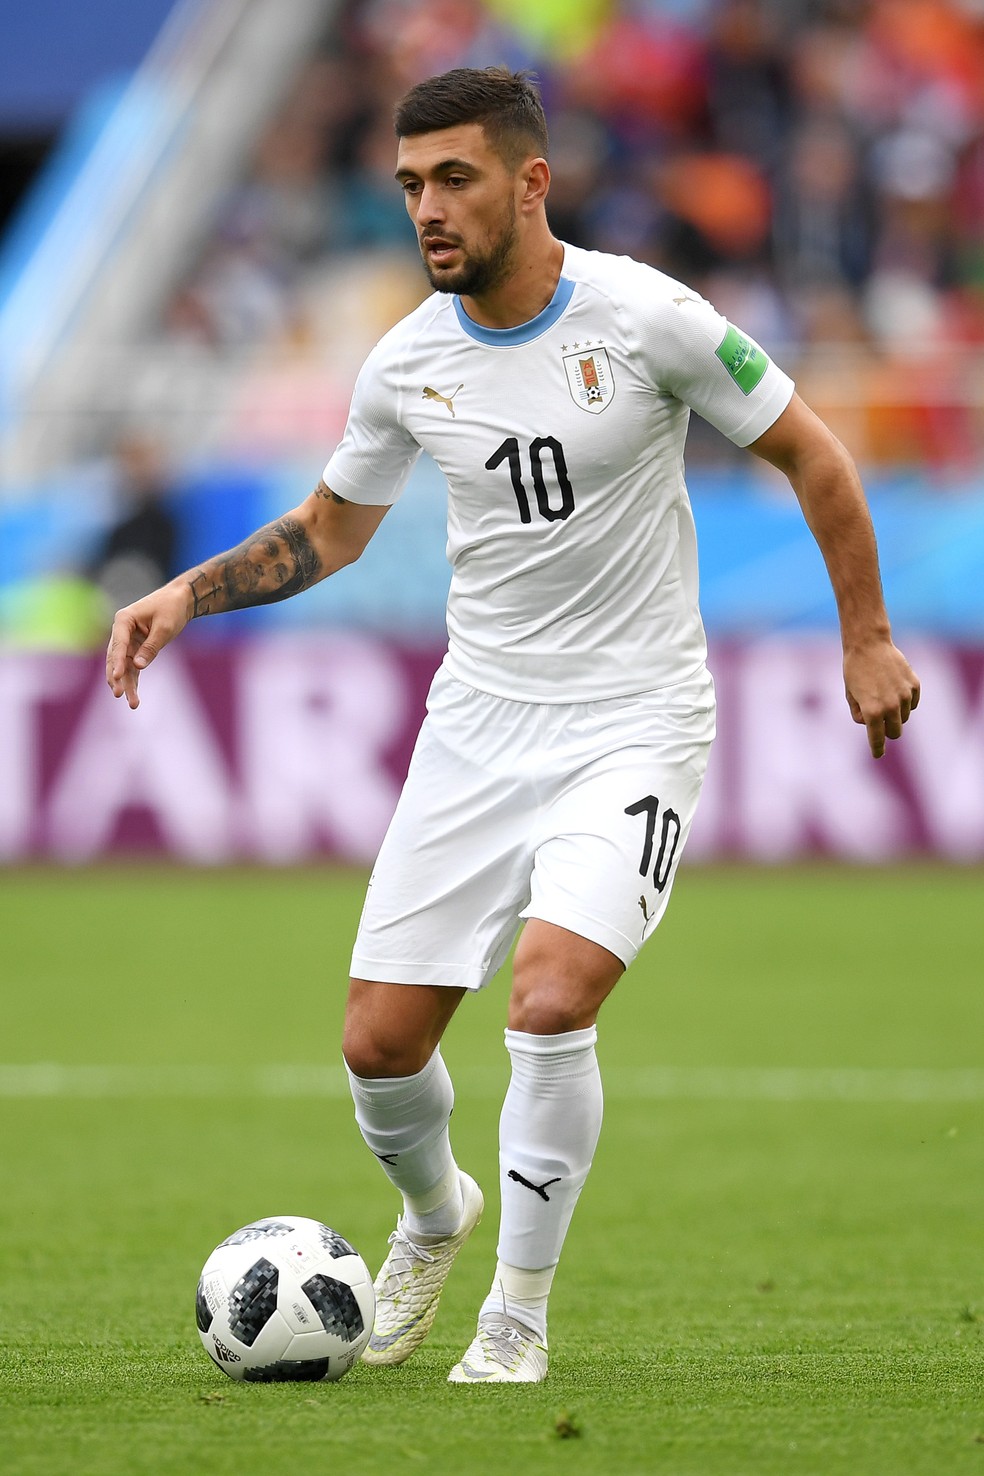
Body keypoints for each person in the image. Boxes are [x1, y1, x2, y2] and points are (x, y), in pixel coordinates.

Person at [107, 67, 920, 1384]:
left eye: (455, 180)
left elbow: (814, 456)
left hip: (634, 719)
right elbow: (329, 530)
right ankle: (437, 1218)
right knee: (378, 1049)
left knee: (549, 1000)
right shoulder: (407, 361)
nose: (427, 209)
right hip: (478, 724)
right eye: (410, 185)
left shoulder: (648, 316)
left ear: (531, 183)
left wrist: (868, 636)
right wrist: (186, 596)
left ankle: (517, 1320)